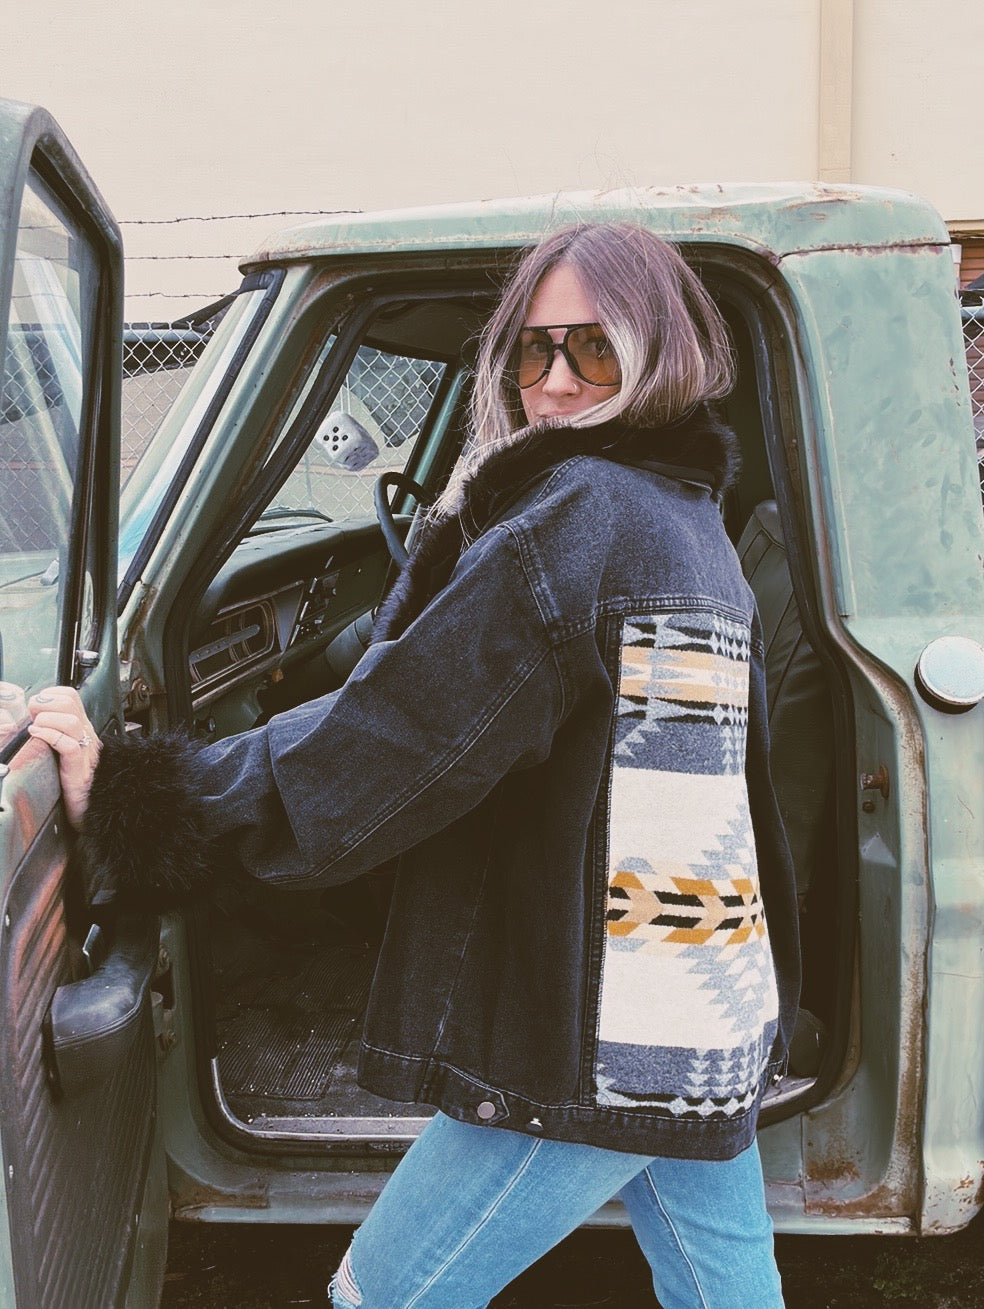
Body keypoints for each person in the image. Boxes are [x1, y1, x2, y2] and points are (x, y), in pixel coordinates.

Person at [28, 222, 799, 1309]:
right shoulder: (684, 515)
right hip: (698, 1004)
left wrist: (138, 794)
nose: (555, 382)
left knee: (380, 1295)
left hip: (596, 1032)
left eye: (594, 349)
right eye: (532, 351)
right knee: (726, 1288)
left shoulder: (583, 515)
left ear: (660, 356)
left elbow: (391, 740)